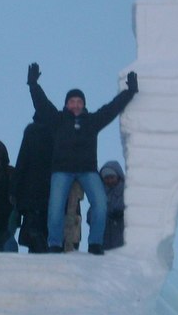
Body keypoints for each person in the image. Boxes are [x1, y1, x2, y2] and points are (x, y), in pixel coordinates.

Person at [26, 62, 138, 255]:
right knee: (55, 207)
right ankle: (55, 244)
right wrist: (33, 84)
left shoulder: (92, 122)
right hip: (62, 170)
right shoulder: (58, 120)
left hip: (87, 170)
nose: (75, 104)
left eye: (79, 101)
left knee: (100, 204)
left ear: (83, 105)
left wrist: (130, 92)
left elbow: (111, 108)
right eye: (72, 101)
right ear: (66, 104)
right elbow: (42, 104)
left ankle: (95, 243)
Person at [12, 114, 53, 253]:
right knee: (44, 231)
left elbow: (22, 162)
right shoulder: (56, 131)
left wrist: (15, 190)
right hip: (49, 190)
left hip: (30, 192)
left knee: (33, 230)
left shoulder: (31, 132)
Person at [90, 160, 126, 250]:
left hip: (120, 238)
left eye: (112, 177)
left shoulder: (126, 192)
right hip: (104, 241)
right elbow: (90, 214)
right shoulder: (99, 193)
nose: (109, 181)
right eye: (106, 178)